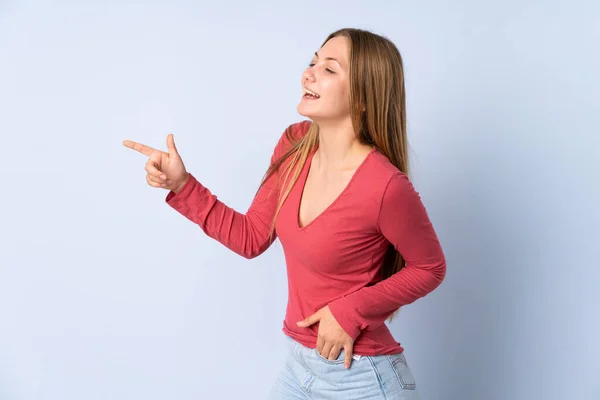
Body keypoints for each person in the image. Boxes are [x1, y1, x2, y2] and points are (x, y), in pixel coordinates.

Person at [123, 28, 446, 400]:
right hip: (299, 370)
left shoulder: (385, 186)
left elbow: (430, 267)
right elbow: (250, 237)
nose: (308, 74)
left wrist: (351, 310)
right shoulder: (294, 145)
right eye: (312, 62)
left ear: (363, 96)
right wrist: (182, 186)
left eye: (329, 69)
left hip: (362, 378)